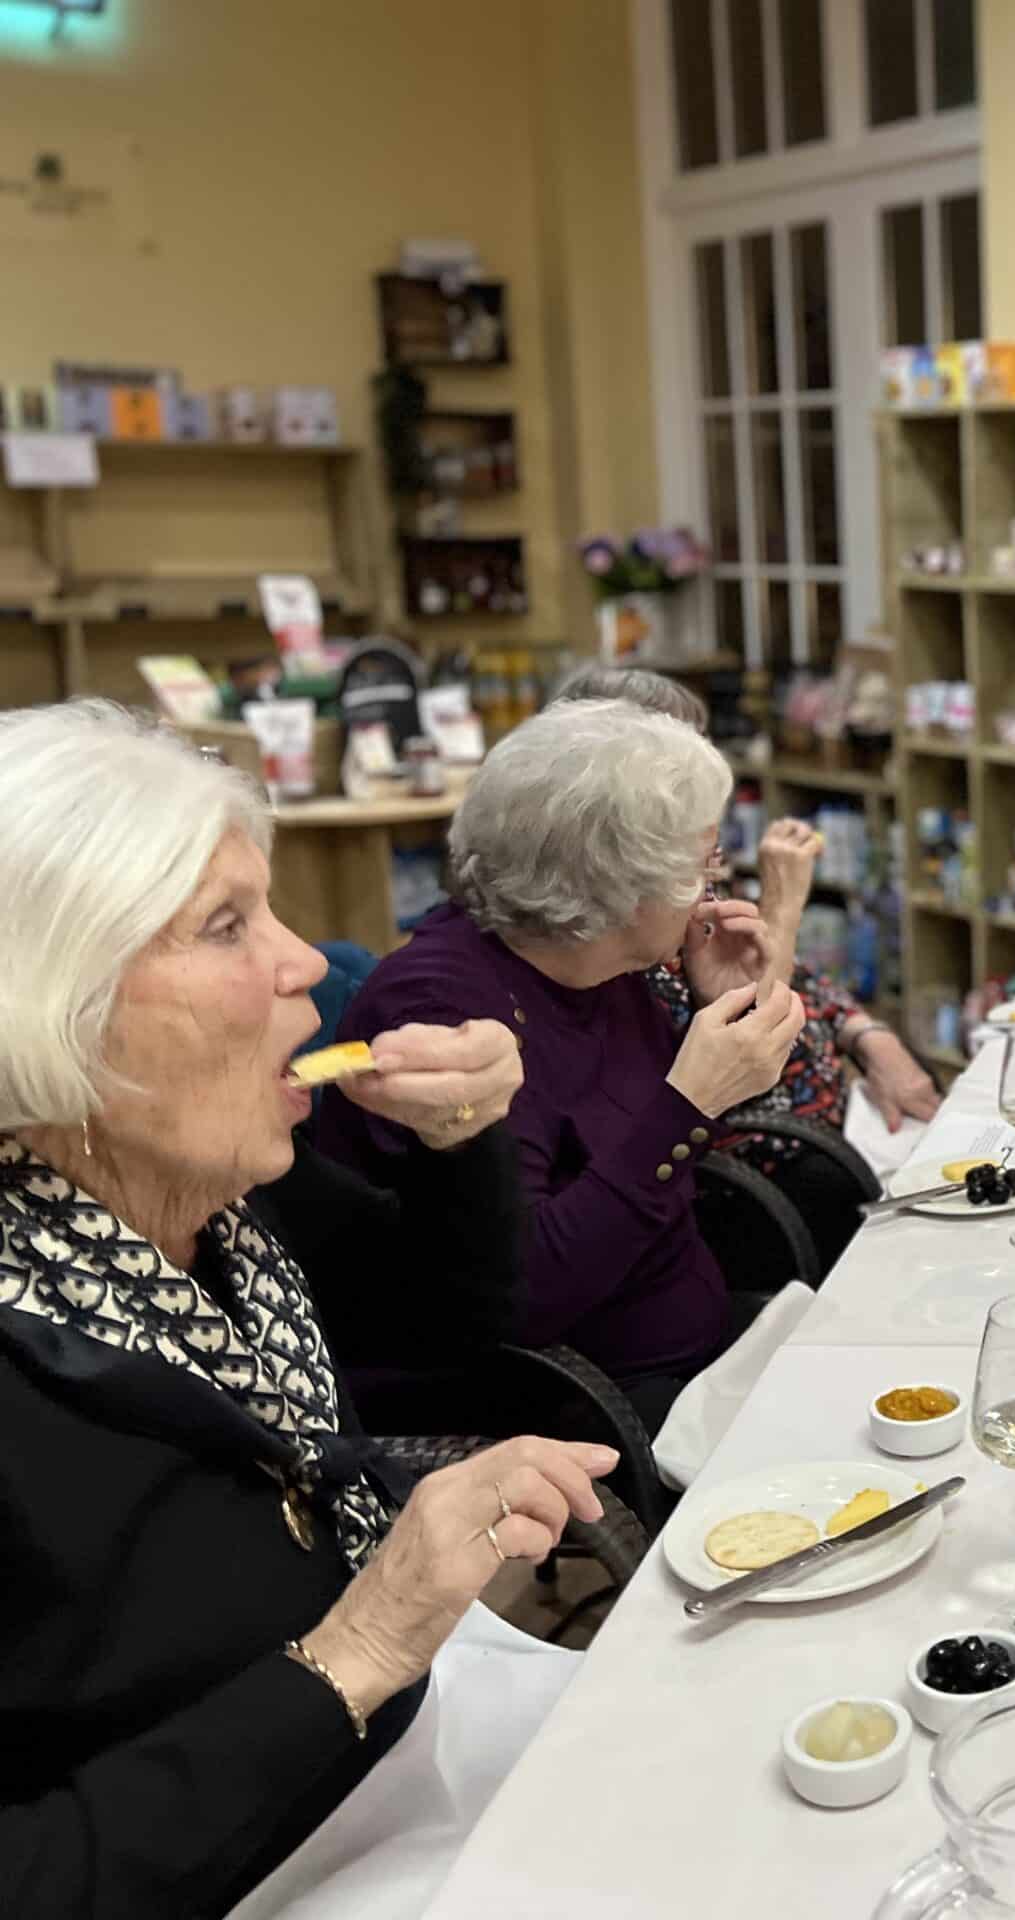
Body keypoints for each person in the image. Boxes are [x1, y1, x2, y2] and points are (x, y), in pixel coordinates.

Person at [0, 702, 616, 1915]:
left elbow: (447, 1326)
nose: (307, 966)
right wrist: (359, 1651)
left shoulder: (211, 1203)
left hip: (373, 1778)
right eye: (228, 925)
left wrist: (461, 1139)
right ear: (49, 1007)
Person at [317, 698, 807, 1425]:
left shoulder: (595, 964)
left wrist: (709, 1014)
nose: (712, 886)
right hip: (577, 1401)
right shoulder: (443, 1010)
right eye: (702, 861)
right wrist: (690, 1100)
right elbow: (524, 1293)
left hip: (685, 1350)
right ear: (617, 885)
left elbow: (629, 1149)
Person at [550, 665, 941, 1156]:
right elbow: (751, 1054)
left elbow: (792, 974)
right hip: (782, 1165)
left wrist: (869, 1035)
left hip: (844, 1122)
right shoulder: (623, 917)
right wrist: (783, 905)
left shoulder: (691, 866)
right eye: (683, 763)